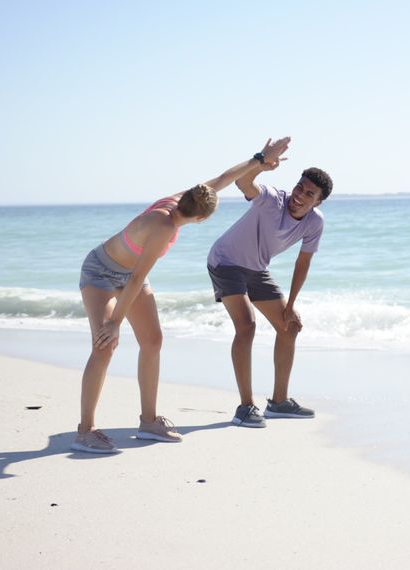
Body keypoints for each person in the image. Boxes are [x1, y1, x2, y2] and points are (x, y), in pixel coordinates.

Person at [72, 137, 291, 453]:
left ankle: (148, 421)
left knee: (153, 341)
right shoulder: (163, 229)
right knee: (105, 344)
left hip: (127, 274)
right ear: (202, 219)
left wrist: (259, 158)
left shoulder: (182, 199)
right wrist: (115, 322)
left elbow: (223, 179)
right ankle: (85, 430)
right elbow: (136, 279)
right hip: (100, 273)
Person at [207, 152, 333, 428]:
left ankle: (278, 402)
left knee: (290, 326)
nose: (300, 195)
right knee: (246, 326)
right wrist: (260, 165)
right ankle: (245, 407)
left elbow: (303, 263)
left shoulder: (315, 222)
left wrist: (290, 306)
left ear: (318, 202)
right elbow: (244, 184)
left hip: (256, 269)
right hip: (225, 261)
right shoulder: (272, 199)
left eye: (309, 194)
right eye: (300, 187)